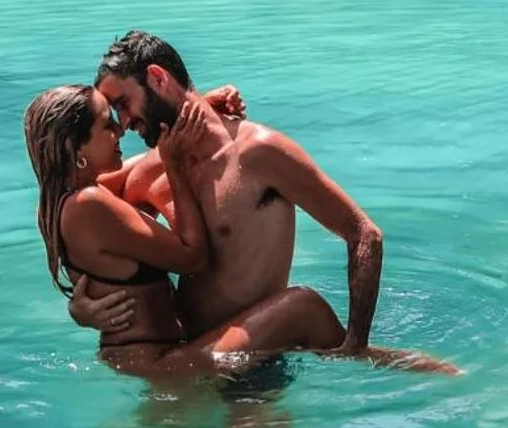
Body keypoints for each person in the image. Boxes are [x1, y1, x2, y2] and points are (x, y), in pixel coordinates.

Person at [80, 29, 385, 355]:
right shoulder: (155, 167)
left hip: (257, 366)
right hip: (188, 356)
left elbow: (365, 235)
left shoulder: (259, 153)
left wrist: (356, 343)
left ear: (157, 78)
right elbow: (76, 208)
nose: (123, 123)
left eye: (123, 104)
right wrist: (82, 306)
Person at [22, 83, 347, 378]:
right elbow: (193, 257)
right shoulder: (91, 203)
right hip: (161, 364)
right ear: (75, 149)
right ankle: (367, 359)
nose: (120, 129)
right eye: (107, 124)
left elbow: (154, 159)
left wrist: (200, 110)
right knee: (305, 307)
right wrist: (176, 170)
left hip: (137, 358)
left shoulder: (56, 203)